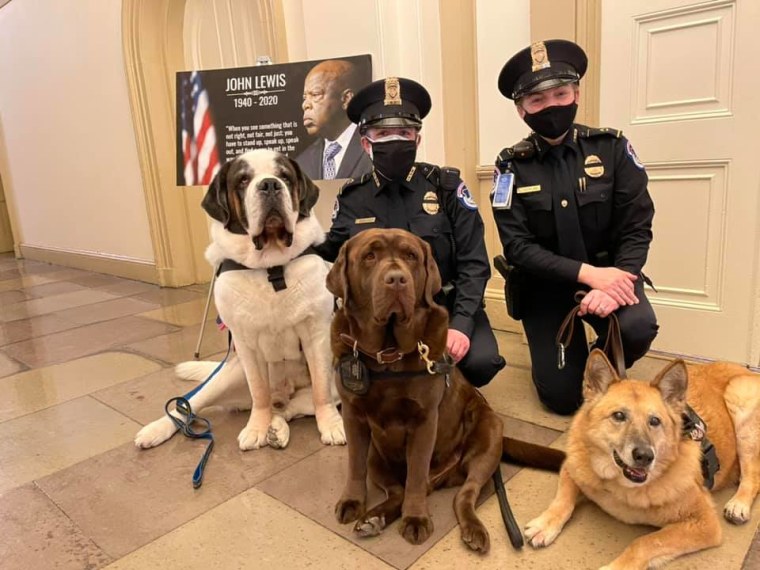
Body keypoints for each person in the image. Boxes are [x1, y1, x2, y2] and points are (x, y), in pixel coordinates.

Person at [491, 40, 658, 415]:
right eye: (537, 100)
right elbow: (517, 247)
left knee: (638, 327)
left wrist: (617, 280)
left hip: (611, 275)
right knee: (563, 399)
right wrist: (589, 276)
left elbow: (637, 226)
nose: (551, 106)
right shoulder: (510, 166)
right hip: (545, 287)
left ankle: (599, 365)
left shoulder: (612, 148)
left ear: (576, 93)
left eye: (560, 93)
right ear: (521, 111)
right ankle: (561, 364)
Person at [313, 77, 506, 388]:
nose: (395, 141)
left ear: (417, 139)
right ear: (366, 142)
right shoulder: (353, 197)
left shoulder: (445, 187)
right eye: (383, 133)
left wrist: (461, 324)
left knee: (480, 363)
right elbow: (333, 250)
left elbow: (475, 264)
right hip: (379, 308)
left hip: (440, 305)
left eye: (404, 132)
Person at [294, 59, 372, 180]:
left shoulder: (374, 150)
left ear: (346, 99)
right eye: (305, 97)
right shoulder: (302, 163)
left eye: (315, 94)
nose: (305, 105)